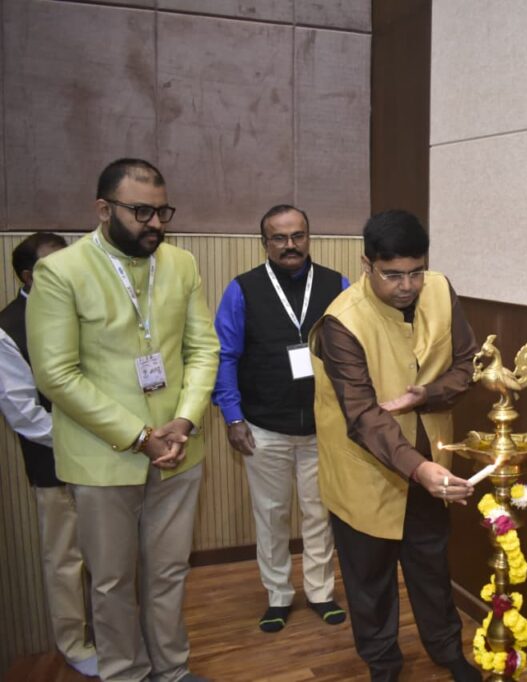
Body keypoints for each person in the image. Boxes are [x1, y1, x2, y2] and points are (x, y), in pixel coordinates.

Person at [27, 158, 220, 682]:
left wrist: (184, 421)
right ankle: (126, 674)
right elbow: (56, 375)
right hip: (102, 459)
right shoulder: (61, 272)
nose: (155, 224)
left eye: (162, 212)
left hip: (179, 451)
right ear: (103, 209)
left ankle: (172, 670)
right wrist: (138, 436)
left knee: (169, 573)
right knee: (112, 582)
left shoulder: (181, 264)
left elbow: (204, 350)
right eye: (141, 212)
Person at [310, 210, 482, 682]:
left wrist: (427, 394)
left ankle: (448, 651)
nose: (407, 286)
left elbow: (466, 364)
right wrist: (419, 469)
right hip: (365, 472)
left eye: (415, 272)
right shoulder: (341, 322)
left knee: (432, 567)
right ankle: (383, 666)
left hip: (430, 461)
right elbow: (363, 416)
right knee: (370, 584)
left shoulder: (441, 290)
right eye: (393, 275)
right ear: (367, 264)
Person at [212, 204, 349, 632]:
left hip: (322, 428)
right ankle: (278, 595)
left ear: (309, 237)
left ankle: (320, 592)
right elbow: (225, 356)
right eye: (279, 237)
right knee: (271, 516)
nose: (290, 245)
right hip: (263, 426)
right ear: (265, 242)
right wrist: (233, 417)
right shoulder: (242, 289)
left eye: (298, 236)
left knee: (319, 514)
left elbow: (352, 354)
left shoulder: (338, 285)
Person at [0, 232, 98, 677]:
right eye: (53, 266)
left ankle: (118, 633)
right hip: (55, 465)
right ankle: (75, 645)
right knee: (65, 559)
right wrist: (85, 442)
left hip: (110, 459)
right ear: (28, 276)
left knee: (114, 557)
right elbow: (23, 412)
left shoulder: (83, 308)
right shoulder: (8, 327)